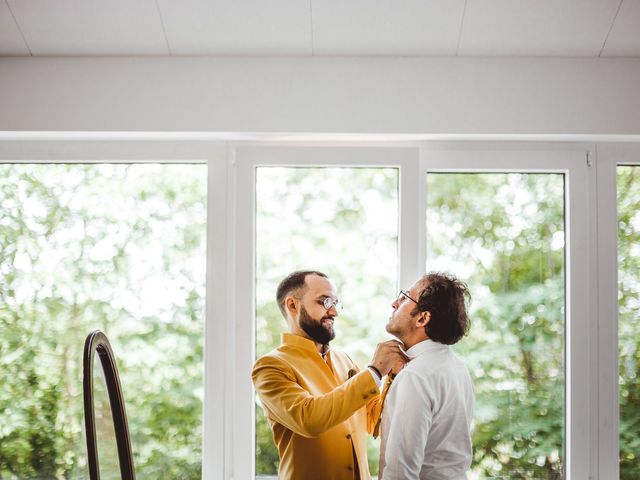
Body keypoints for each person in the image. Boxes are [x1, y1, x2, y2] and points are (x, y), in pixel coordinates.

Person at [252, 270, 407, 480]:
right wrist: (375, 371)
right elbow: (310, 420)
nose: (334, 312)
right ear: (292, 305)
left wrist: (392, 377)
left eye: (335, 303)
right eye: (324, 302)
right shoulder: (270, 366)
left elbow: (373, 421)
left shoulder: (345, 360)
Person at [378, 272, 474, 480]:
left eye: (404, 297)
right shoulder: (457, 367)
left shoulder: (415, 376)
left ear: (422, 318)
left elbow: (400, 472)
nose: (394, 303)